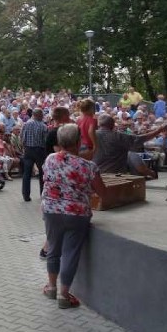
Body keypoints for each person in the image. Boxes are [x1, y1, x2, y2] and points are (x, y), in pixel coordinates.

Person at [41, 123, 108, 309]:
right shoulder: (89, 166)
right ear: (78, 142)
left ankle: (51, 287)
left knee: (53, 249)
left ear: (60, 142)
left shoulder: (50, 159)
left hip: (51, 211)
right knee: (70, 253)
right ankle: (64, 295)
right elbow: (103, 193)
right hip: (77, 214)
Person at [92, 113, 167, 178]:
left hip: (95, 174)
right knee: (132, 155)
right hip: (116, 175)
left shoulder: (91, 135)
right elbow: (142, 139)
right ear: (112, 125)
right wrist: (159, 130)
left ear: (99, 124)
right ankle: (150, 173)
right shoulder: (119, 136)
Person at [20, 108, 47, 202]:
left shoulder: (26, 124)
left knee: (26, 173)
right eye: (42, 114)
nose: (43, 116)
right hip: (39, 150)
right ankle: (43, 194)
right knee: (42, 173)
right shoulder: (43, 126)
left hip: (28, 150)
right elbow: (45, 140)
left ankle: (26, 195)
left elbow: (22, 138)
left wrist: (25, 147)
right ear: (38, 115)